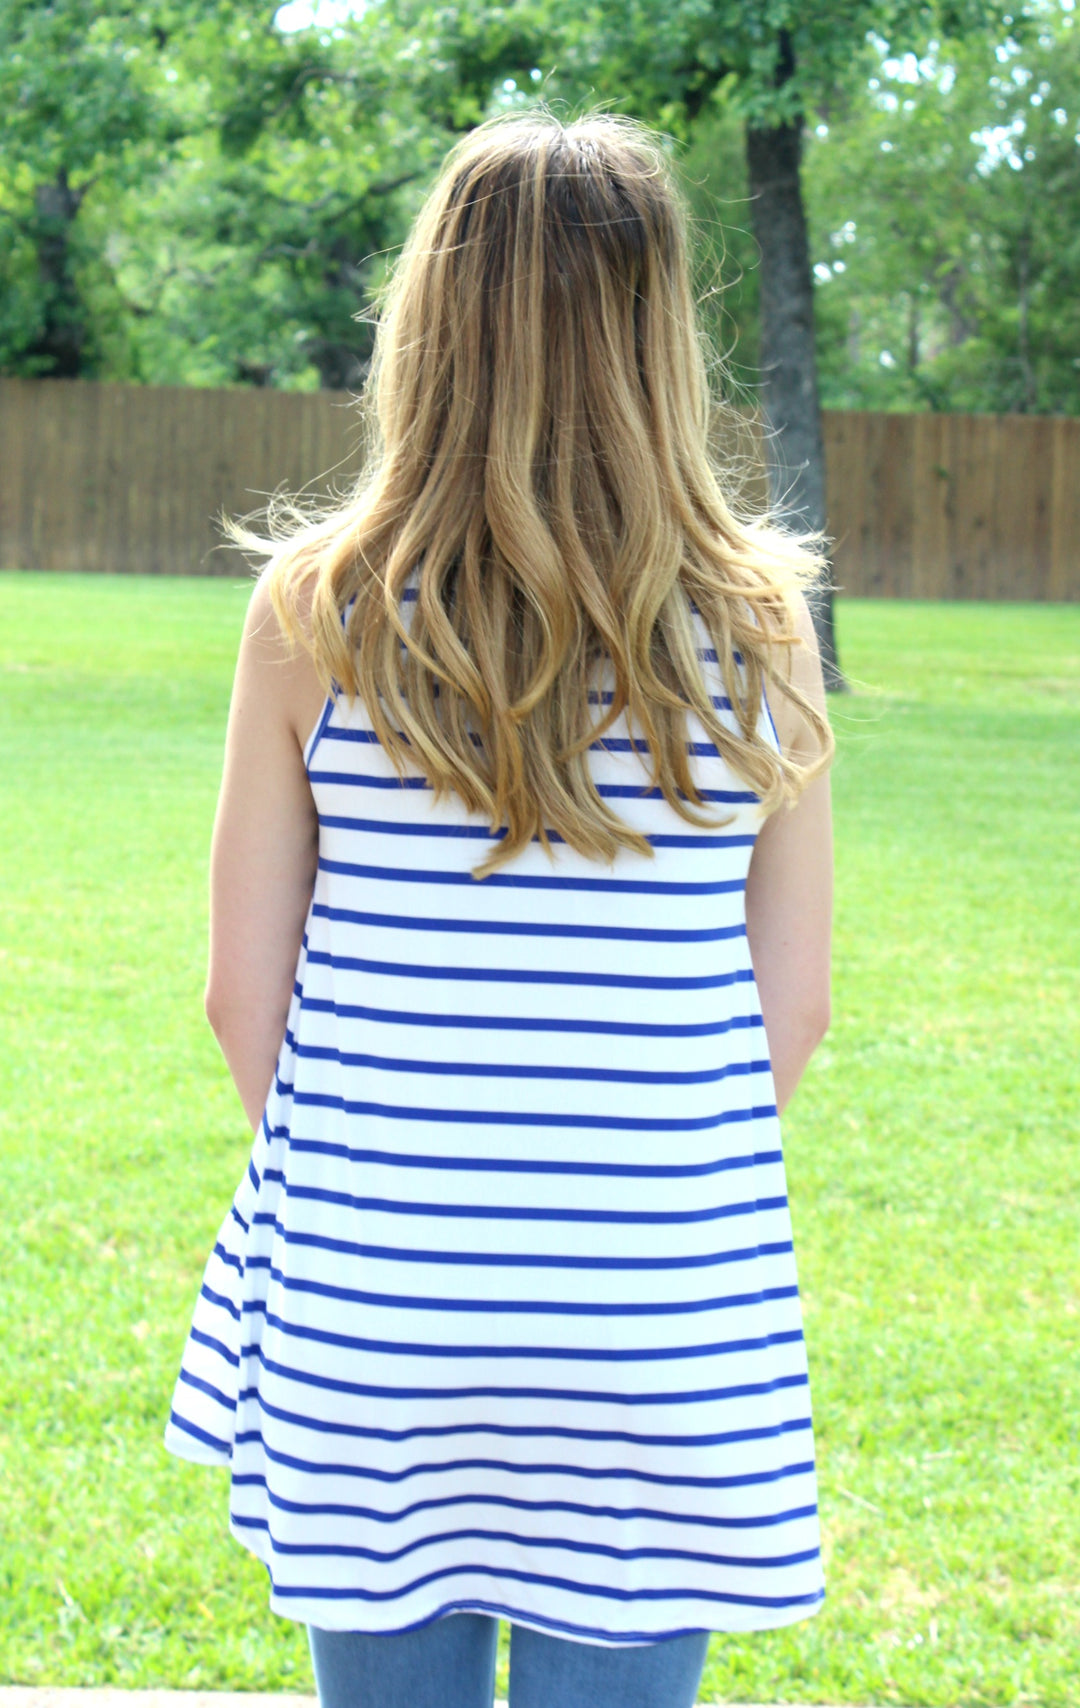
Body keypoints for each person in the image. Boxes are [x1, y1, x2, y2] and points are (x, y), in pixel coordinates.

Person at [165, 109, 835, 1708]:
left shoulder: (316, 612)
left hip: (376, 1295)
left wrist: (401, 1201)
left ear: (427, 318)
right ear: (660, 330)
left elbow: (237, 995)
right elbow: (787, 1009)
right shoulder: (757, 625)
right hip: (656, 1299)